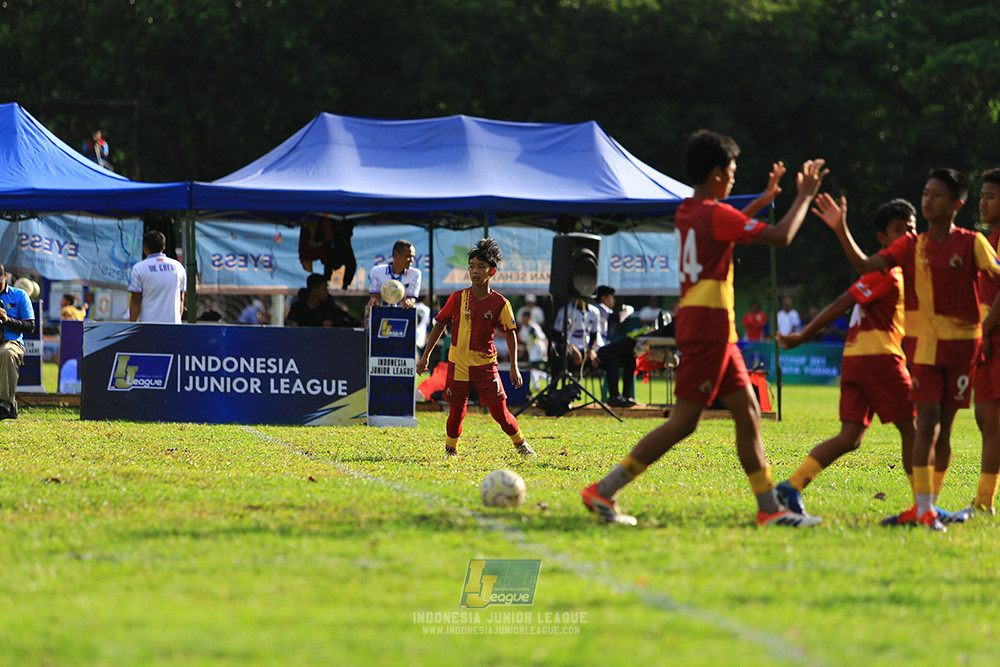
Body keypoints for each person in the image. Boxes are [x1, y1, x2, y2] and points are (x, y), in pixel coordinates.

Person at [581, 129, 828, 527]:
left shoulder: (688, 210)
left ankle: (769, 512)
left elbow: (722, 226)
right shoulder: (716, 214)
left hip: (710, 327)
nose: (734, 177)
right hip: (710, 327)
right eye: (731, 171)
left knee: (748, 413)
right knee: (684, 421)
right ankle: (603, 490)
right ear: (716, 173)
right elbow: (780, 237)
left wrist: (763, 201)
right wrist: (805, 195)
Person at [820, 168, 1000, 531]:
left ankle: (934, 505)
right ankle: (923, 509)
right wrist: (840, 230)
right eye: (925, 193)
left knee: (945, 429)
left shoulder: (972, 243)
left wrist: (983, 333)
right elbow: (866, 265)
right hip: (923, 351)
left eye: (936, 195)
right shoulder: (909, 245)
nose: (927, 200)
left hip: (963, 351)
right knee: (926, 424)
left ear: (955, 204)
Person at [774, 199, 917, 518]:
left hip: (856, 361)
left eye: (912, 228)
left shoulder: (902, 272)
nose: (908, 234)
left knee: (850, 437)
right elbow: (843, 300)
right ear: (883, 238)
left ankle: (792, 486)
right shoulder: (887, 271)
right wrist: (803, 336)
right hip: (878, 359)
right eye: (899, 229)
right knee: (913, 429)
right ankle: (925, 507)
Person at [416, 237, 534, 458]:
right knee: (457, 411)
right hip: (458, 364)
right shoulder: (458, 298)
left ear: (492, 271)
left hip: (485, 366)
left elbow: (511, 333)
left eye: (480, 267)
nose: (474, 271)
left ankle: (520, 444)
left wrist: (514, 366)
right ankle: (450, 451)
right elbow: (440, 324)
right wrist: (426, 356)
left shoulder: (501, 303)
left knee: (499, 412)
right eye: (471, 267)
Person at [971, 168, 1000, 515]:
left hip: (993, 339)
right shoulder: (988, 239)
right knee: (987, 420)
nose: (983, 201)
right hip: (988, 338)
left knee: (990, 420)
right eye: (982, 195)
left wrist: (985, 331)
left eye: (990, 196)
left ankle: (984, 501)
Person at [593, 285, 639, 407]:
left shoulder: (600, 309)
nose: (614, 301)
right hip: (596, 350)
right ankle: (614, 396)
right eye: (612, 297)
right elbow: (617, 318)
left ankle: (625, 397)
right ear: (603, 298)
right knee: (630, 342)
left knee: (630, 358)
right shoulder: (599, 307)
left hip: (604, 349)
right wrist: (628, 311)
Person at [0, 263, 35, 420]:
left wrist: (7, 319)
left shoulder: (19, 295)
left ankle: (5, 404)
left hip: (11, 341)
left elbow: (29, 327)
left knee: (6, 353)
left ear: (5, 276)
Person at [129, 230, 186, 324]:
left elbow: (136, 300)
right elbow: (181, 299)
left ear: (145, 248)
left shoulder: (139, 268)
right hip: (173, 327)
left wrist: (131, 326)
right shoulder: (178, 267)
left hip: (148, 327)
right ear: (164, 247)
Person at [552, 296, 603, 375]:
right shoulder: (565, 311)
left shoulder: (595, 312)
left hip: (586, 350)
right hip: (569, 349)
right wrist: (571, 347)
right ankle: (554, 385)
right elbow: (555, 334)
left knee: (605, 358)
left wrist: (591, 349)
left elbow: (594, 333)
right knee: (561, 354)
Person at [286, 274, 360, 327]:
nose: (327, 292)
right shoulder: (297, 306)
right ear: (314, 290)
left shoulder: (328, 306)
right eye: (324, 288)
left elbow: (325, 331)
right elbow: (293, 328)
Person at [368, 240, 421, 309]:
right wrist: (374, 300)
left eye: (413, 257)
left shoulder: (415, 273)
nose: (412, 260)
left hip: (403, 314)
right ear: (396, 255)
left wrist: (410, 301)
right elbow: (375, 296)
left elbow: (411, 298)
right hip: (381, 314)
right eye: (408, 256)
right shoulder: (376, 271)